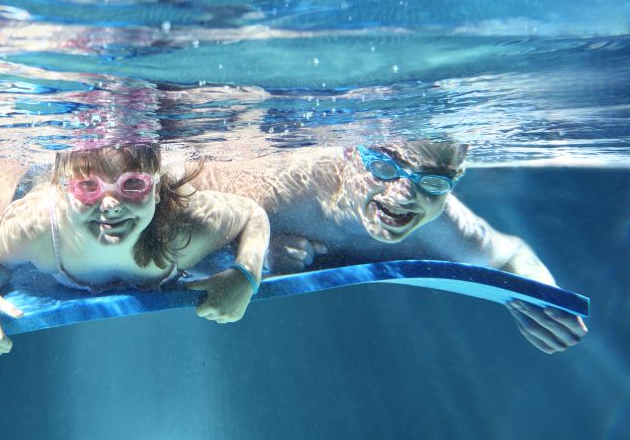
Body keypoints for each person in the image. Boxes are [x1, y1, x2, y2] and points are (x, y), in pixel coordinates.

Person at [178, 142, 587, 354]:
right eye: (384, 167)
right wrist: (253, 253)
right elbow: (170, 215)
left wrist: (542, 297)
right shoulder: (282, 185)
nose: (404, 194)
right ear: (350, 153)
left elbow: (512, 253)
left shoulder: (443, 223)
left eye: (433, 181)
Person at [0, 143, 270, 356]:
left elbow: (253, 214)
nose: (110, 206)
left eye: (132, 185)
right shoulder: (39, 229)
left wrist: (245, 275)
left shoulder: (184, 226)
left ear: (155, 190)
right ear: (63, 191)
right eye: (87, 186)